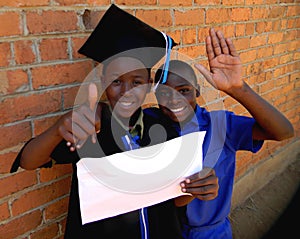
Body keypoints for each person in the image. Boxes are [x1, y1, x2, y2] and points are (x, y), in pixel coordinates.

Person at [10, 4, 184, 239]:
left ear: (150, 81)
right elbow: (28, 161)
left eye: (136, 82)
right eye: (116, 82)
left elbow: (176, 195)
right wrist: (59, 128)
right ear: (103, 81)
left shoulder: (161, 127)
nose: (126, 92)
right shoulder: (88, 128)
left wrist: (195, 188)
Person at [145, 28, 294, 238]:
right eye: (165, 93)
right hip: (163, 229)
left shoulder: (220, 125)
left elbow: (283, 131)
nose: (174, 100)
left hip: (210, 233)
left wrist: (237, 89)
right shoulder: (149, 123)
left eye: (184, 91)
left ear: (197, 91)